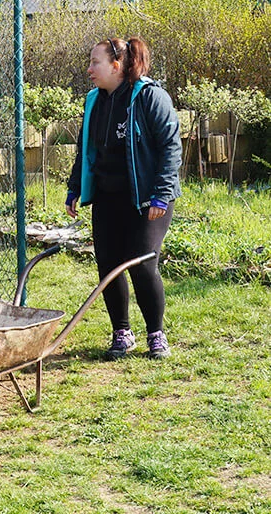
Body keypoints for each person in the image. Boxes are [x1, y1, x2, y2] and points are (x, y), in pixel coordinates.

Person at [65, 37, 181, 360]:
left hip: (147, 199)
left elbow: (171, 147)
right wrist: (75, 188)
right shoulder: (95, 101)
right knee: (109, 264)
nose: (89, 69)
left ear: (116, 66)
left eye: (95, 62)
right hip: (108, 196)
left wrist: (161, 194)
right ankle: (122, 332)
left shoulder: (149, 97)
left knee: (142, 263)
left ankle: (156, 334)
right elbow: (85, 151)